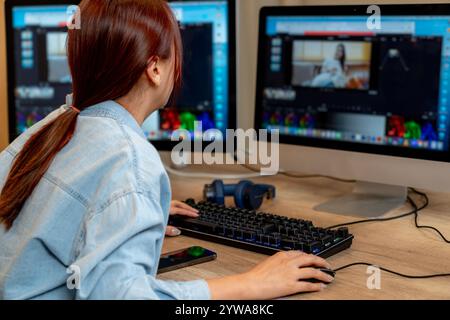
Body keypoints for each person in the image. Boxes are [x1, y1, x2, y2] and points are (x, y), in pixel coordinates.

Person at [0, 0, 333, 300]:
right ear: (155, 68)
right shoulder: (129, 161)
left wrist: (131, 210)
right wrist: (251, 284)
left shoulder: (49, 127)